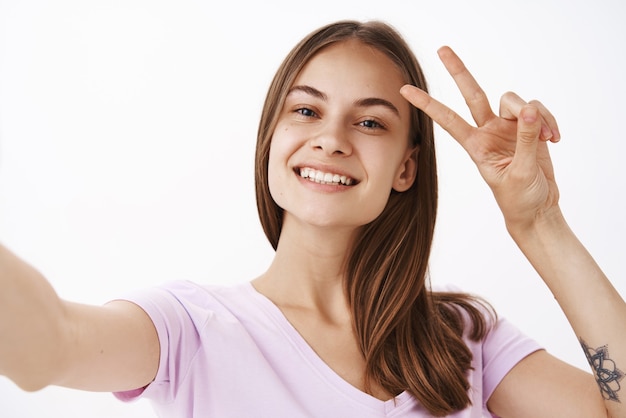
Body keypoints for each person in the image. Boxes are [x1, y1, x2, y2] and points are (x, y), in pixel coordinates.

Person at [0, 19, 624, 418]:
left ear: (406, 169)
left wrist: (540, 224)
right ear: (272, 139)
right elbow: (50, 345)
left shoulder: (462, 340)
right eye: (305, 111)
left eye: (371, 121)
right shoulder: (190, 330)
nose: (331, 139)